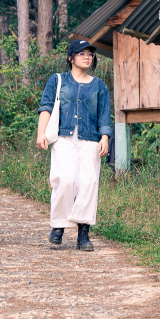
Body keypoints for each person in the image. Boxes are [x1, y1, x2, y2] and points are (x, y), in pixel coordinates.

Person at [36, 39, 111, 251]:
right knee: (66, 180)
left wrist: (105, 137)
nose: (87, 57)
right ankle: (58, 226)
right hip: (63, 138)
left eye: (90, 54)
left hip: (90, 139)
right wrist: (41, 132)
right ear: (71, 58)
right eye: (81, 53)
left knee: (89, 183)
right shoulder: (58, 80)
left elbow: (104, 115)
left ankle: (83, 233)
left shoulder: (99, 86)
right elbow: (46, 107)